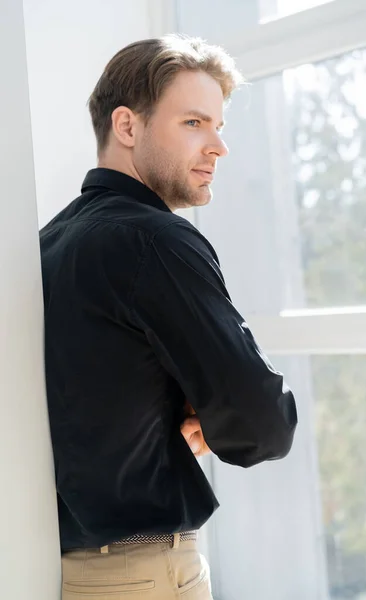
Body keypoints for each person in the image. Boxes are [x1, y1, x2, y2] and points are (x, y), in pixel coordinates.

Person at [40, 34, 298, 600]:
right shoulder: (154, 239)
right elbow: (261, 424)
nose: (218, 147)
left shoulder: (47, 244)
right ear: (127, 127)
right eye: (194, 123)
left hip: (65, 567)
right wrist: (223, 412)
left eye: (219, 127)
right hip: (144, 575)